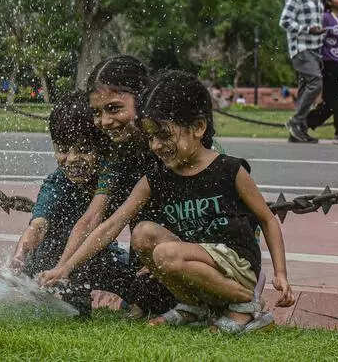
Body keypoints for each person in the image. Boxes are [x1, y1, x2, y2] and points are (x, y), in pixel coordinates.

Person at [40, 70, 295, 333]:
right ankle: (193, 305)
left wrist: (281, 274)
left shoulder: (229, 169)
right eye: (150, 137)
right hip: (194, 256)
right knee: (142, 233)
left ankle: (245, 304)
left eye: (164, 135)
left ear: (198, 127)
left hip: (236, 263)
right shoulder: (157, 176)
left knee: (166, 253)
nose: (156, 146)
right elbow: (111, 224)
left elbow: (266, 219)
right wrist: (66, 267)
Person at [40, 55, 176, 317]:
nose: (104, 121)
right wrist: (62, 268)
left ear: (142, 98)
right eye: (97, 112)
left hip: (200, 247)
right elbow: (93, 218)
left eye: (114, 108)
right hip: (148, 253)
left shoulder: (171, 144)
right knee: (143, 300)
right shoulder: (118, 154)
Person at [10, 90, 144, 318]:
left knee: (137, 283)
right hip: (64, 256)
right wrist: (20, 254)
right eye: (63, 150)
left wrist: (64, 268)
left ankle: (127, 298)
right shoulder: (56, 182)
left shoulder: (115, 173)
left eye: (83, 150)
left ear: (102, 147)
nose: (72, 159)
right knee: (37, 258)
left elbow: (88, 222)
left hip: (100, 255)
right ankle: (73, 298)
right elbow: (38, 225)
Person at [279, 0, 326, 143]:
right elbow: (284, 22)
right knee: (316, 83)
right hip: (301, 48)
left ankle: (298, 132)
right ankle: (295, 121)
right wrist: (307, 29)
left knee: (305, 89)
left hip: (315, 51)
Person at [305, 0, 338, 144]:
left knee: (332, 102)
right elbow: (315, 41)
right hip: (328, 63)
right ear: (329, 1)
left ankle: (303, 123)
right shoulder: (324, 18)